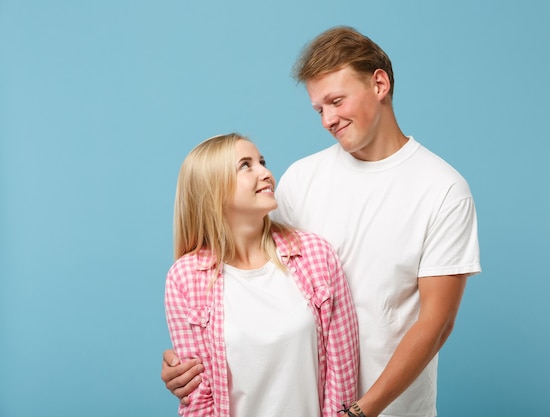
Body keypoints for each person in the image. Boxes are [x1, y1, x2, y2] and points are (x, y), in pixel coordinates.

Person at [163, 27, 481, 417]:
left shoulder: (443, 189)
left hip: (395, 409)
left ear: (379, 83)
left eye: (336, 101)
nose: (328, 119)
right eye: (319, 109)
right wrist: (189, 366)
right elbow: (246, 280)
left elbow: (437, 322)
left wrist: (361, 411)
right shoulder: (300, 179)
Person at [164, 133, 359, 417]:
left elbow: (342, 371)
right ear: (212, 188)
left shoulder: (315, 255)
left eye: (262, 162)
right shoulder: (185, 278)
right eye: (246, 165)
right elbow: (198, 398)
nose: (266, 173)